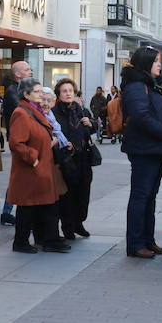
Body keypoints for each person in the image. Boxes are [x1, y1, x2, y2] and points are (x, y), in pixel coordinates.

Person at [122, 47, 162, 258]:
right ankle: (136, 243)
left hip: (154, 149)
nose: (160, 64)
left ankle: (148, 240)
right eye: (156, 61)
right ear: (146, 63)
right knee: (141, 196)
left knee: (150, 197)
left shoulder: (150, 85)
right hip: (144, 149)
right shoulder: (137, 86)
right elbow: (141, 116)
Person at [7, 78, 71, 253]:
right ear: (26, 94)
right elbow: (16, 143)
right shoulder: (21, 113)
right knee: (27, 207)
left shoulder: (35, 111)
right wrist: (34, 157)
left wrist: (50, 142)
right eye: (37, 91)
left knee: (47, 205)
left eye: (42, 91)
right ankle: (21, 242)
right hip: (31, 170)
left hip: (42, 168)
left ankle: (48, 239)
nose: (42, 95)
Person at [52, 78, 98, 239]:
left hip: (83, 158)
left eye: (70, 91)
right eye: (64, 91)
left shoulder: (81, 110)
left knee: (83, 192)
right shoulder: (55, 112)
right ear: (58, 94)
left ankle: (79, 223)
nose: (68, 94)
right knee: (67, 195)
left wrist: (91, 123)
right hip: (66, 159)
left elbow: (94, 127)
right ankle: (67, 226)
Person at [1, 60, 33, 225]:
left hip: (27, 139)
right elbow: (25, 113)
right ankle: (9, 211)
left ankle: (8, 211)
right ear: (18, 74)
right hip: (20, 141)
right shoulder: (13, 92)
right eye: (27, 69)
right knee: (19, 176)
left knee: (20, 176)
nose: (31, 71)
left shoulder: (23, 90)